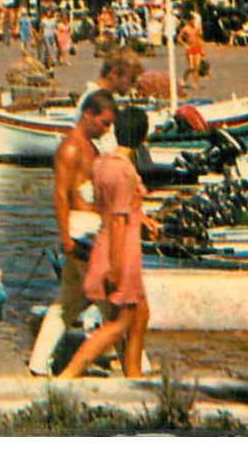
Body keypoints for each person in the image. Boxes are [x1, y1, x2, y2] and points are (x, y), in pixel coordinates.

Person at [27, 91, 118, 376]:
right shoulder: (70, 148)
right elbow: (61, 195)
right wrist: (65, 237)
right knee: (113, 302)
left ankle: (39, 364)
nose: (107, 129)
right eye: (104, 122)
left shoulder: (90, 146)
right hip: (80, 231)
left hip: (91, 229)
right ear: (88, 113)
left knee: (67, 303)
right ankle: (134, 364)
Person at [60, 105, 154, 379]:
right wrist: (114, 266)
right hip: (120, 249)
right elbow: (117, 220)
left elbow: (111, 207)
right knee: (120, 322)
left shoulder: (103, 163)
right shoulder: (124, 172)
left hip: (108, 242)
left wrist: (142, 218)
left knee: (140, 314)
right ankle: (69, 373)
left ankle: (134, 373)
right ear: (142, 139)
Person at [178, 11, 205, 92]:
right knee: (191, 67)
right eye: (192, 20)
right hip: (190, 48)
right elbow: (179, 38)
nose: (194, 22)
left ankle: (195, 83)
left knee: (197, 67)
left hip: (197, 47)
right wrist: (185, 45)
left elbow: (200, 38)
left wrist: (202, 49)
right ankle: (184, 79)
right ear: (189, 21)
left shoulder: (197, 28)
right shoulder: (186, 28)